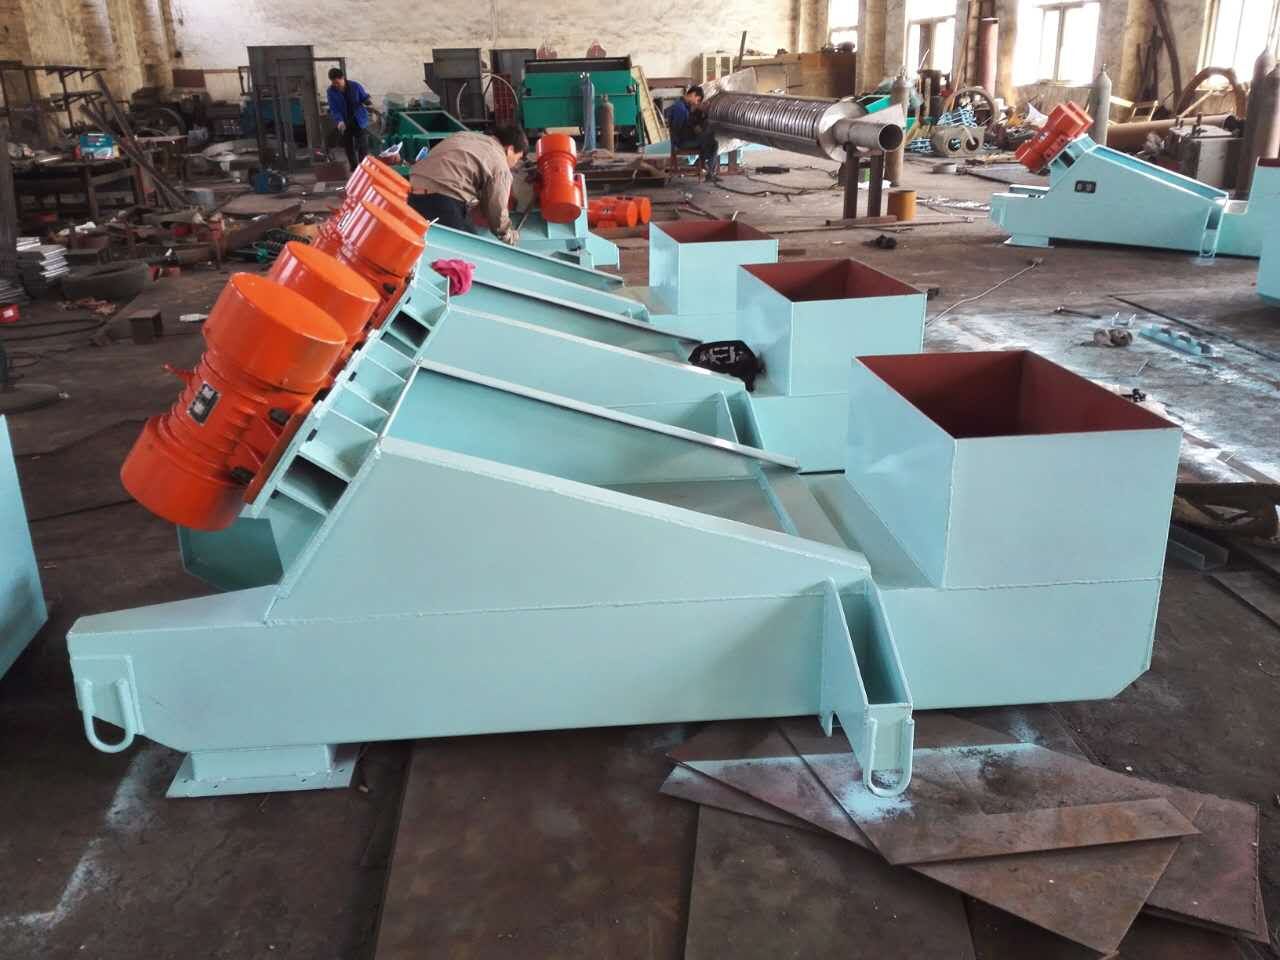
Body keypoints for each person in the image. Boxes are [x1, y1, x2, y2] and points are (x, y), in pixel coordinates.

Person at [406, 125, 529, 245]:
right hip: (442, 198)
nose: (515, 164)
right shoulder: (500, 162)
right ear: (510, 149)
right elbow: (497, 210)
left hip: (413, 193)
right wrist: (508, 235)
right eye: (517, 158)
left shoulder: (465, 136)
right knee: (472, 248)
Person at [666, 85, 719, 177]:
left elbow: (686, 124)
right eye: (698, 100)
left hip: (682, 139)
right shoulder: (680, 108)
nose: (696, 103)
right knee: (713, 143)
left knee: (709, 139)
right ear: (693, 94)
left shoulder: (683, 105)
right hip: (681, 143)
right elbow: (678, 131)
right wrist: (695, 132)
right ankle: (709, 171)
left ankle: (706, 168)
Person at [327, 68, 373, 169]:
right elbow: (334, 109)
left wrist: (368, 101)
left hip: (359, 120)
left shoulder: (355, 86)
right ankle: (354, 168)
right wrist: (339, 121)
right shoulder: (331, 91)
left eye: (337, 82)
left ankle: (364, 168)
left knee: (363, 146)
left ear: (343, 78)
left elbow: (364, 97)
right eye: (333, 83)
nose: (335, 85)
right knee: (348, 146)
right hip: (345, 122)